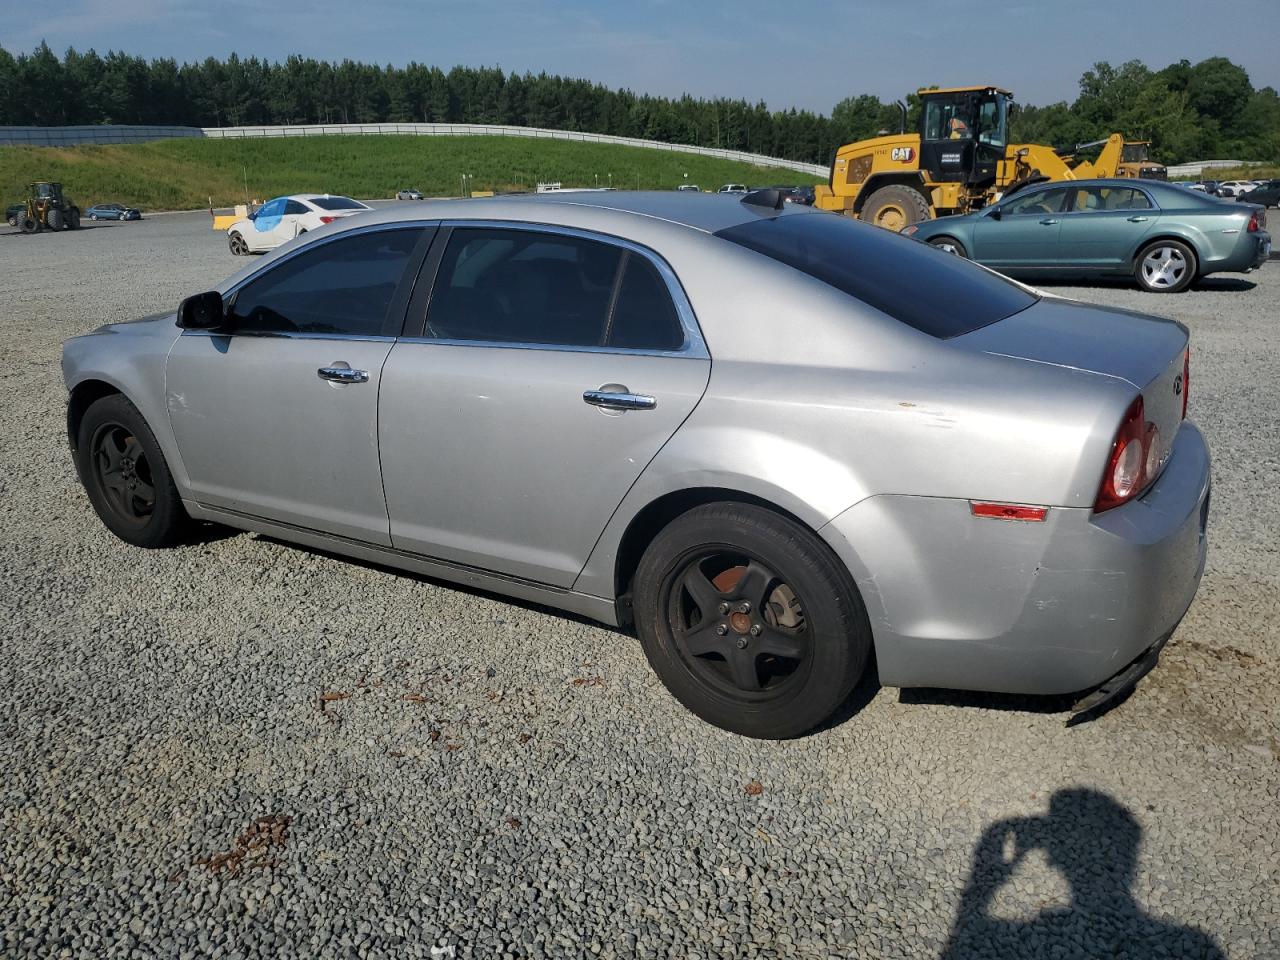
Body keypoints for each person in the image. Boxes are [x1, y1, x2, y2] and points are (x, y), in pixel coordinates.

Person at [940, 789, 1225, 959]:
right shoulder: (1199, 944)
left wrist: (983, 890)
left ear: (1054, 858)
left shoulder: (996, 929)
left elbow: (963, 933)